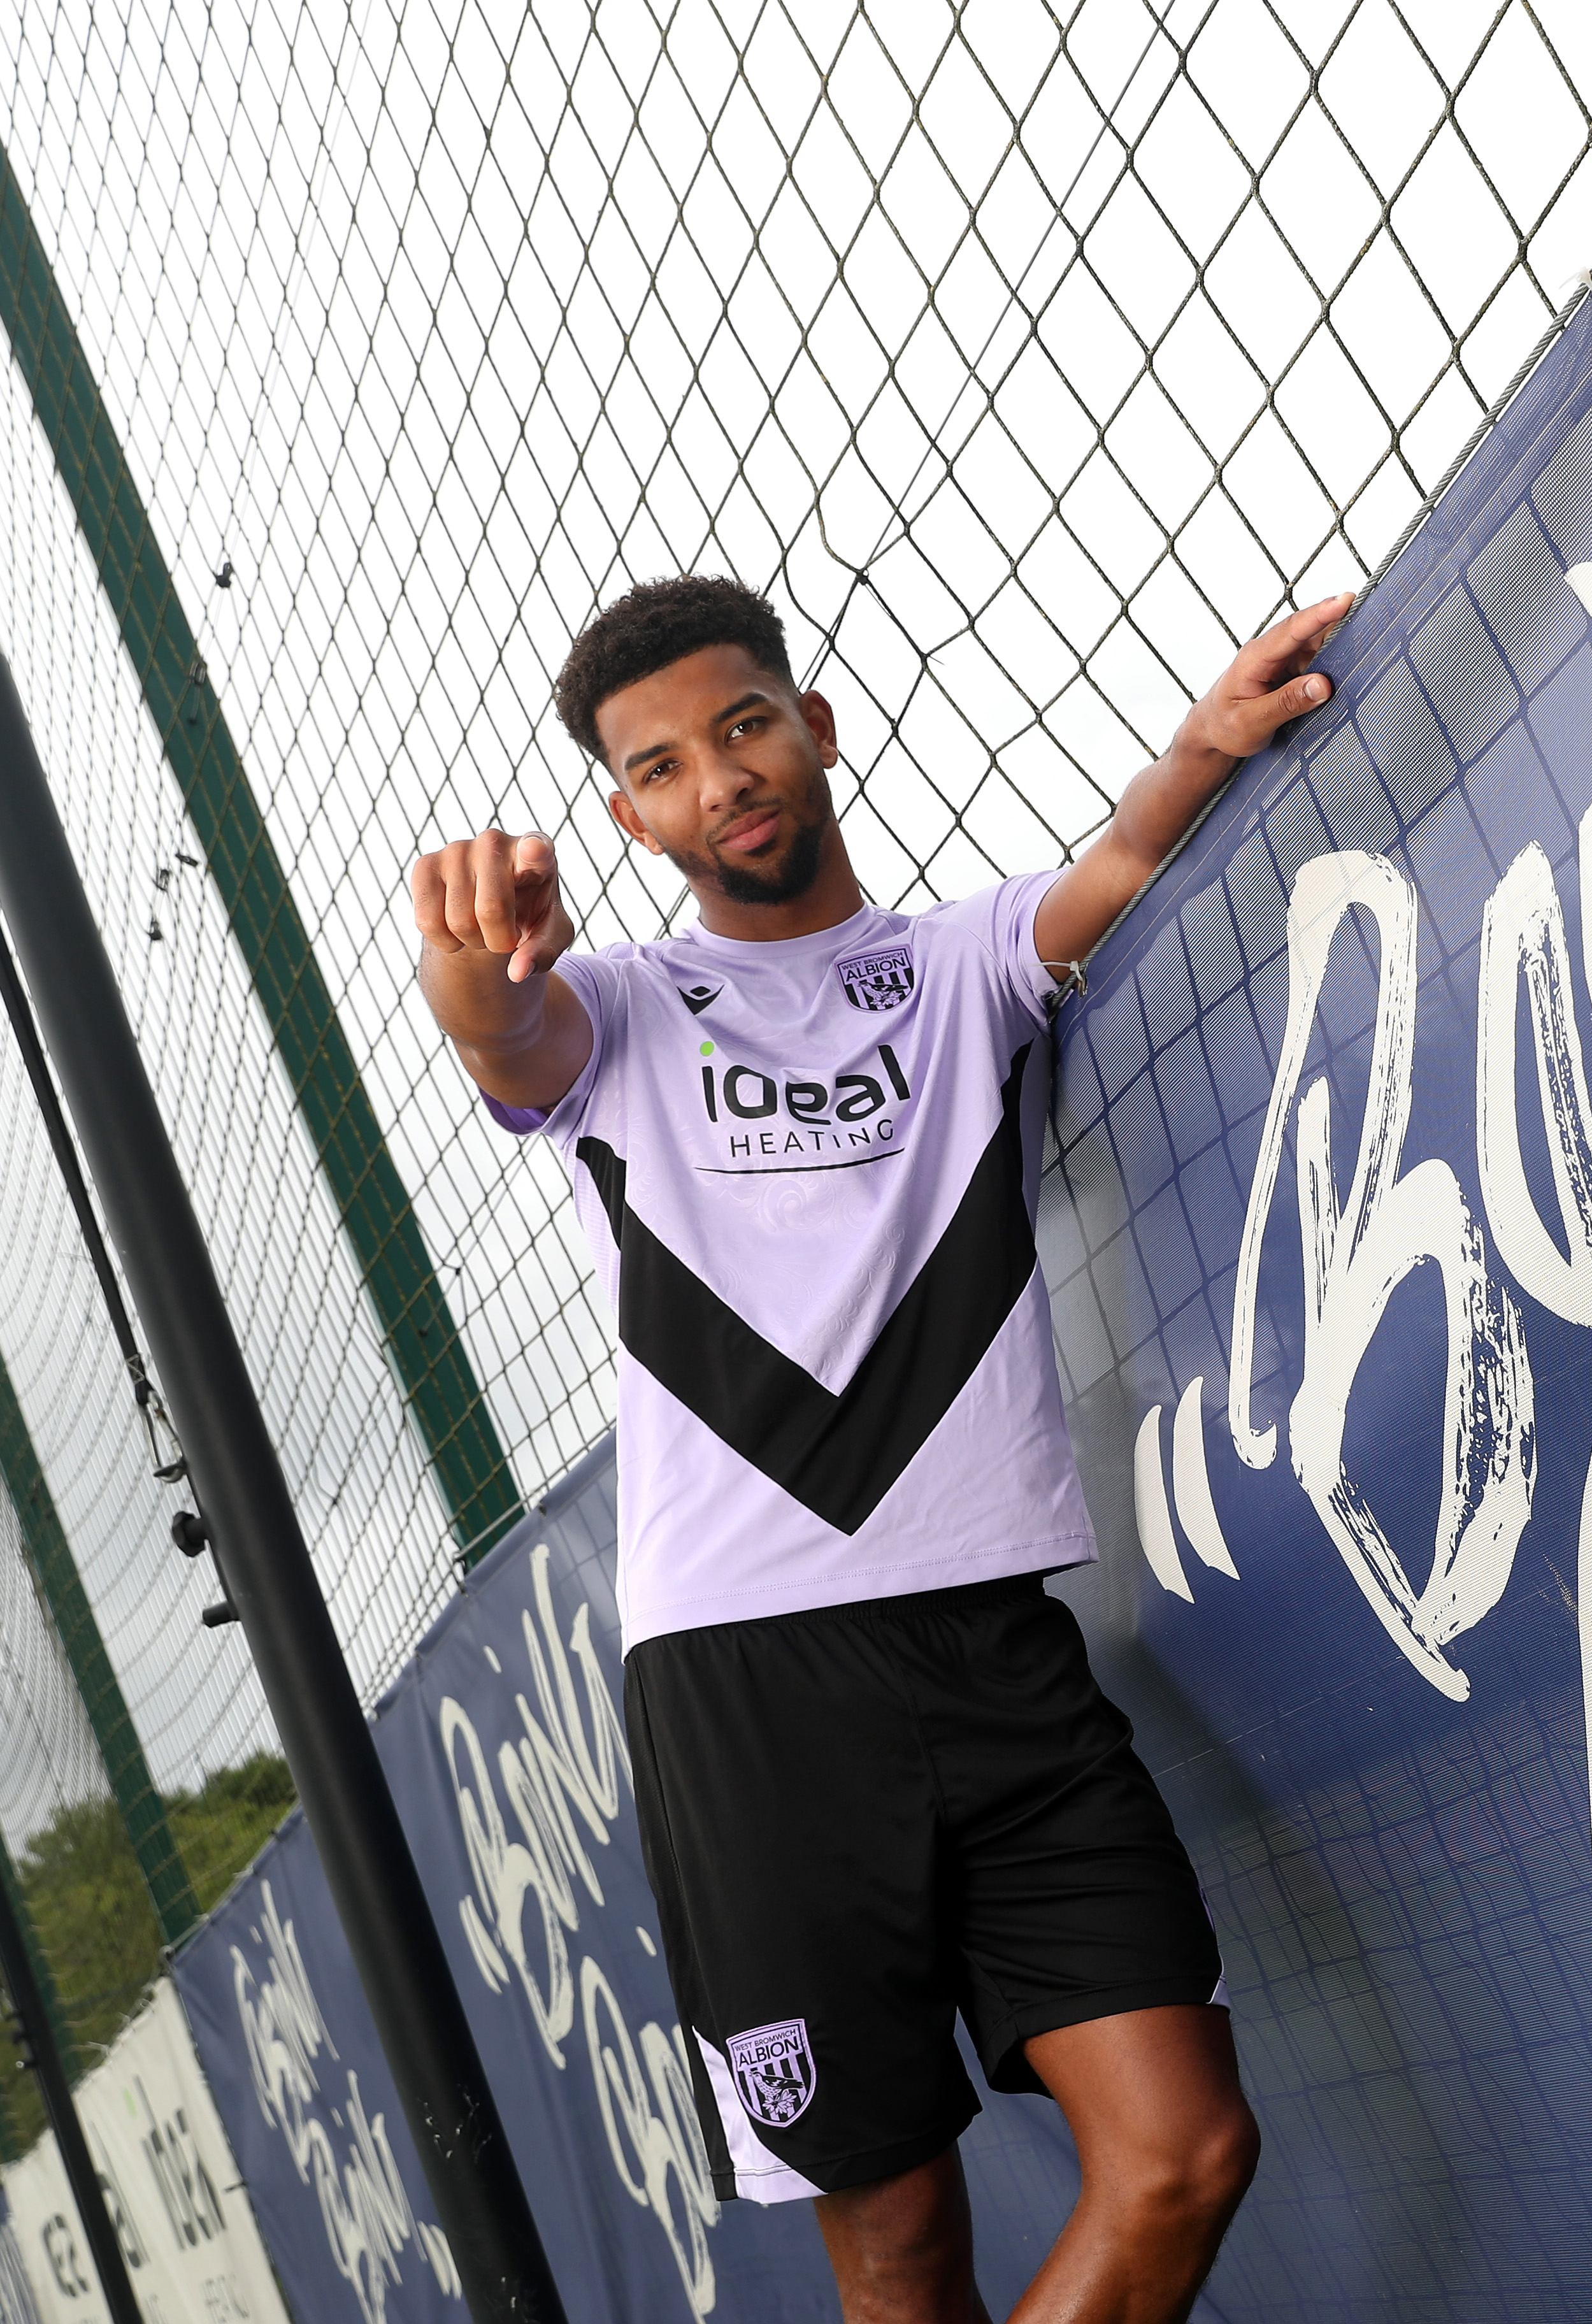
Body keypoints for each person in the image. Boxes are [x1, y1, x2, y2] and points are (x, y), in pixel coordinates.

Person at [410, 573, 1348, 2324]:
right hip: (749, 1694)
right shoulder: (614, 1018)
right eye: (669, 765)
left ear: (813, 728)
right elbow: (500, 1030)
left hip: (1000, 1659)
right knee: (900, 2254)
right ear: (632, 818)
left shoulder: (960, 965)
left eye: (747, 725)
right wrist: (469, 957)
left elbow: (1115, 877)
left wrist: (1198, 750)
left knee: (1182, 2156)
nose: (727, 779)